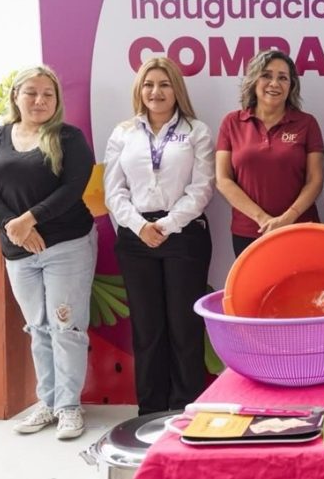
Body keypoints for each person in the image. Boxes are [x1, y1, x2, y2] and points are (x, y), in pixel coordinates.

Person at [0, 65, 96, 440]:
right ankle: (48, 402)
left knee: (66, 326)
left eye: (48, 94)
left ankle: (69, 407)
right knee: (38, 328)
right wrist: (14, 226)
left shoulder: (69, 137)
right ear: (16, 96)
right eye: (31, 92)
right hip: (18, 250)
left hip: (67, 245)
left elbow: (73, 186)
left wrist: (30, 219)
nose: (40, 100)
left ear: (57, 100)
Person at [103, 57, 214, 415]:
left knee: (185, 328)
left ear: (176, 89)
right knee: (147, 329)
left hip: (184, 235)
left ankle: (186, 410)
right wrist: (140, 227)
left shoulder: (196, 131)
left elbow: (202, 188)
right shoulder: (123, 133)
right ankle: (150, 411)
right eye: (149, 84)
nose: (156, 91)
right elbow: (113, 191)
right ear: (140, 90)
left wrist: (165, 225)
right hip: (136, 238)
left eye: (164, 84)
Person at [216, 49, 324, 257]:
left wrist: (287, 219)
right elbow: (223, 180)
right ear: (253, 81)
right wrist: (263, 219)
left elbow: (315, 180)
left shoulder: (307, 123)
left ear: (291, 85)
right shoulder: (232, 122)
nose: (274, 83)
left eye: (282, 78)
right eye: (266, 75)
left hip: (299, 228)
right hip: (250, 232)